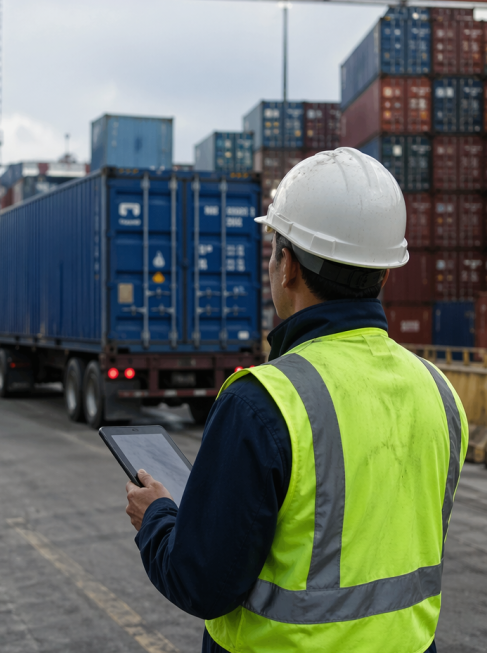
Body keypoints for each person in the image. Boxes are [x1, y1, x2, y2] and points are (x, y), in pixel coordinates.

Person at [124, 147, 467, 653]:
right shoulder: (439, 392)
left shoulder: (263, 402)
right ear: (386, 273)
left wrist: (157, 518)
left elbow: (201, 581)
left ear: (286, 266)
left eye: (273, 249)